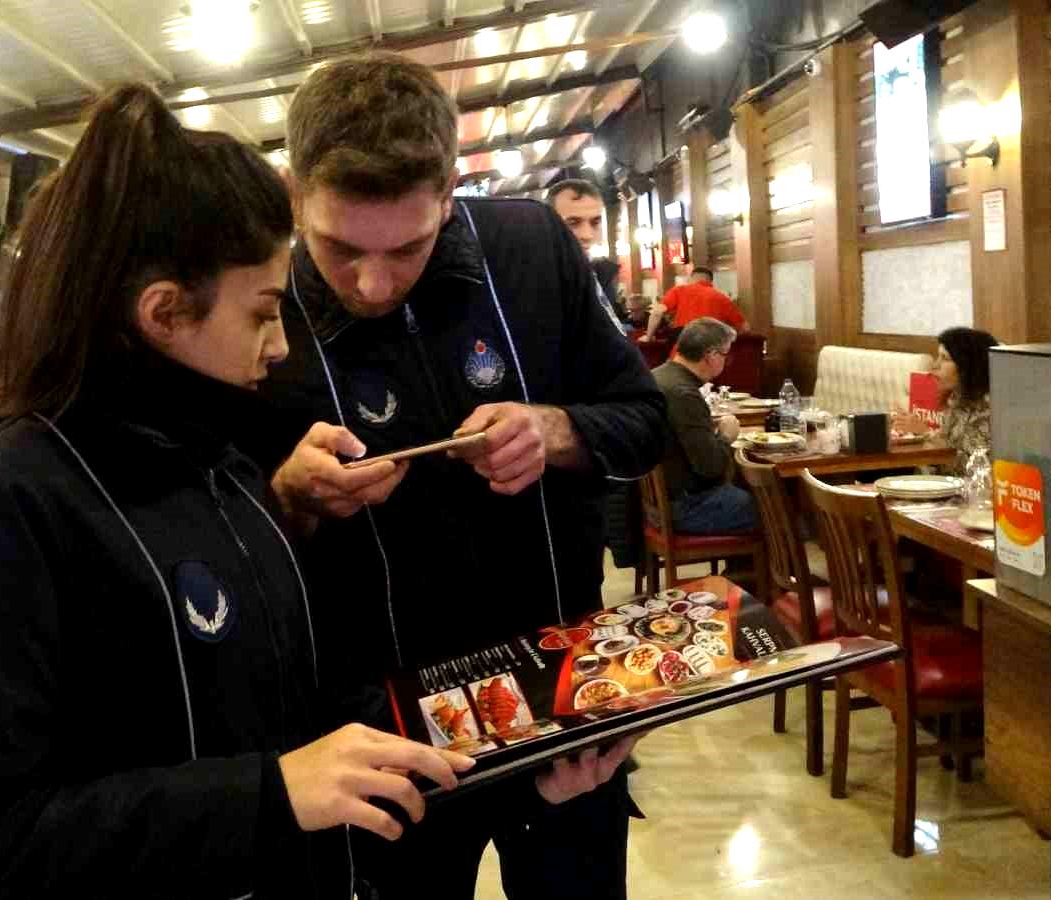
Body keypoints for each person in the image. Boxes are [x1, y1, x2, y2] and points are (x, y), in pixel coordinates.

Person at [0, 84, 473, 900]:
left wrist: (505, 740)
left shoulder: (220, 466)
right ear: (163, 311)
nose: (279, 347)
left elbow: (296, 711)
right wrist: (269, 794)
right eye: (264, 313)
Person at [258, 52, 669, 900]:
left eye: (407, 248)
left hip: (562, 706)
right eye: (340, 249)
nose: (372, 282)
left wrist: (555, 430)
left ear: (449, 192)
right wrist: (288, 497)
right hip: (380, 736)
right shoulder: (259, 303)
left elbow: (645, 422)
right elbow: (215, 546)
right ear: (296, 196)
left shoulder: (527, 244)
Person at [651, 318, 759, 535]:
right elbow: (710, 468)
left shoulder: (658, 375)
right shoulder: (684, 393)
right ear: (711, 355)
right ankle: (758, 569)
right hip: (684, 507)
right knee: (772, 504)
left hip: (656, 502)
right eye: (726, 354)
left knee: (746, 492)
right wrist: (727, 436)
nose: (727, 361)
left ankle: (741, 569)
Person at [890, 326, 998, 473]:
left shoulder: (988, 409)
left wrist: (925, 433)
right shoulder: (956, 399)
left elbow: (975, 469)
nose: (935, 366)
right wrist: (912, 431)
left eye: (945, 358)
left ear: (968, 365)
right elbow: (945, 446)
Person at [546, 178, 627, 329]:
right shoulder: (529, 282)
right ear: (547, 224)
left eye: (595, 222)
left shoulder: (602, 276)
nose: (587, 235)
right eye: (573, 223)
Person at [656, 265, 747, 332]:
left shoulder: (678, 290)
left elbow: (657, 313)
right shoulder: (722, 298)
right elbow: (745, 327)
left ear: (691, 278)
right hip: (712, 348)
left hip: (684, 348)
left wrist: (648, 337)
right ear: (711, 281)